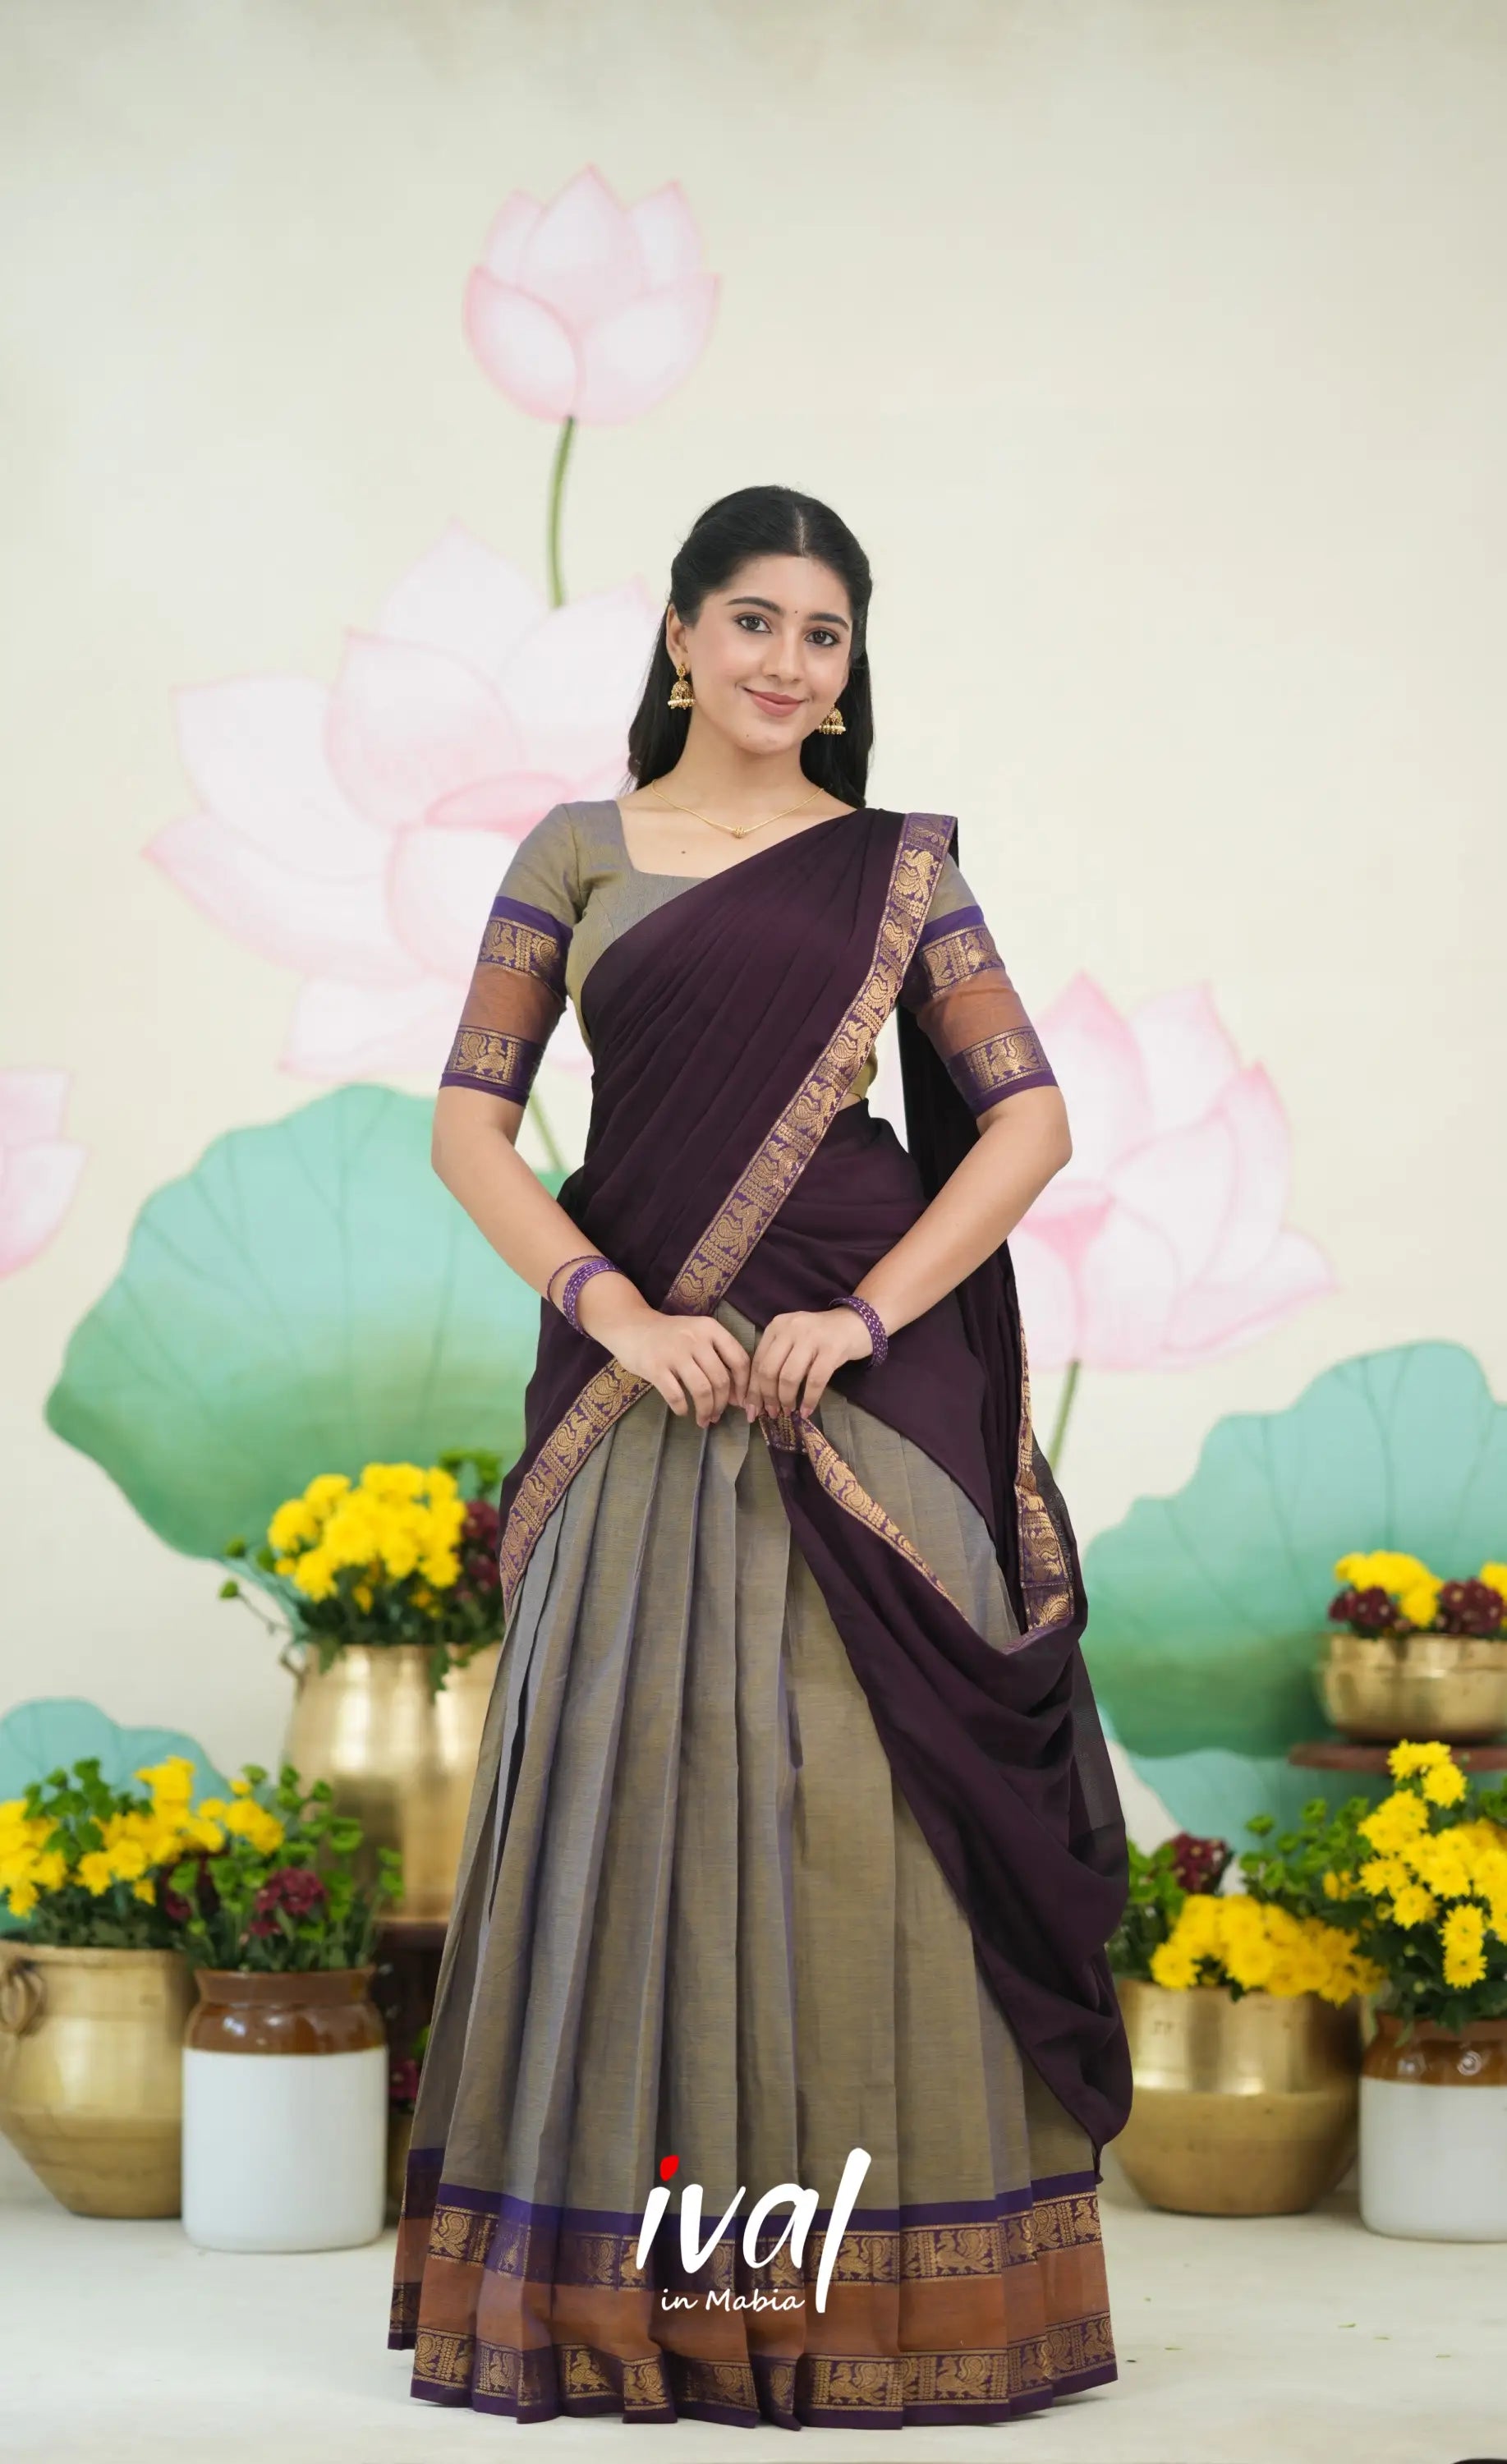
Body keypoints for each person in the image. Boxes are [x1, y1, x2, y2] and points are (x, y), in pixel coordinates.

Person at [388, 484, 1131, 2434]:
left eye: (823, 635)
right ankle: (645, 2296)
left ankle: (882, 2303)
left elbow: (1028, 1121)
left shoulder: (896, 871)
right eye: (753, 623)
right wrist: (614, 1310)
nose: (788, 664)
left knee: (868, 1828)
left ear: (849, 666)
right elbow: (469, 1124)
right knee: (634, 1811)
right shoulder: (575, 851)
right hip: (646, 1390)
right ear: (678, 636)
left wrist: (867, 1314)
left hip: (851, 1394)